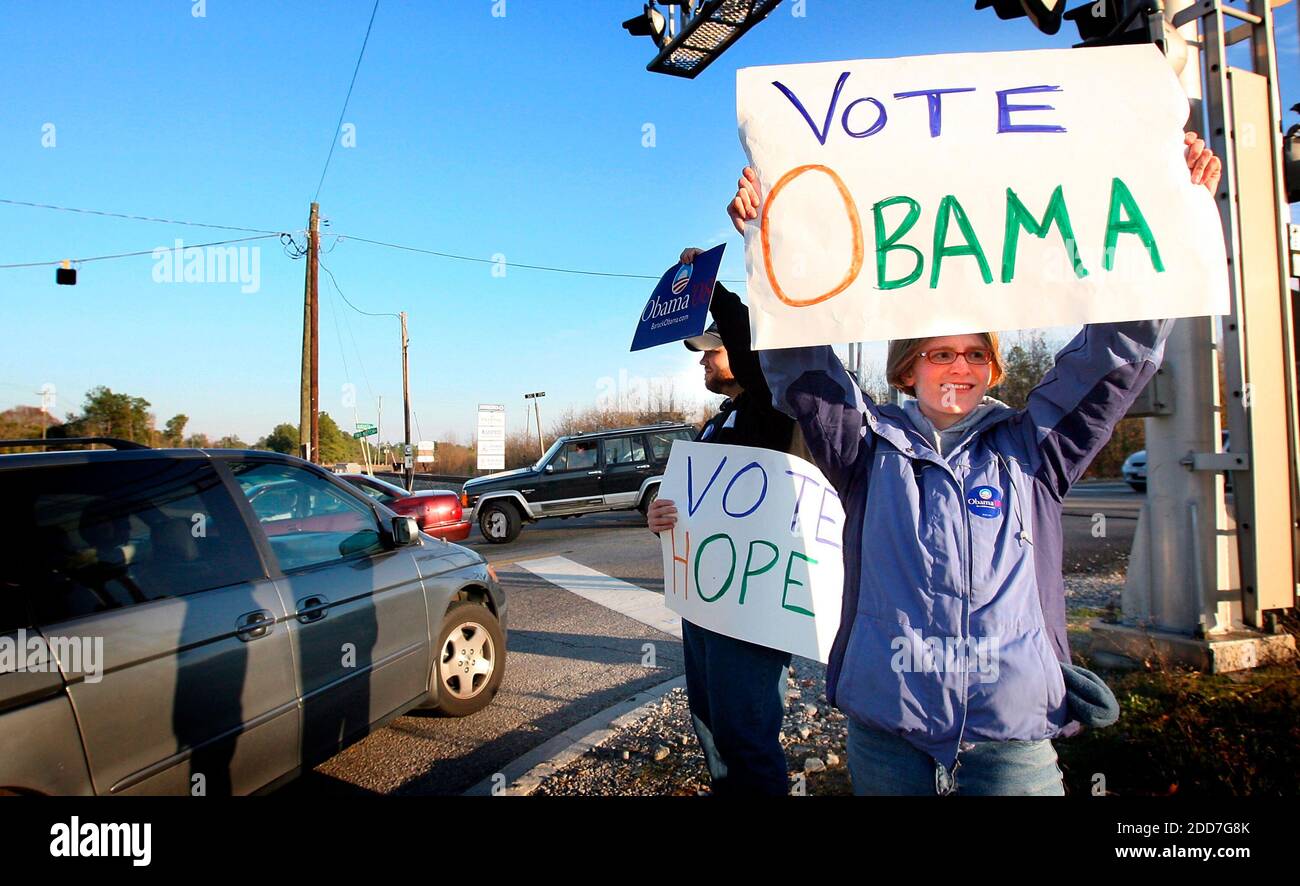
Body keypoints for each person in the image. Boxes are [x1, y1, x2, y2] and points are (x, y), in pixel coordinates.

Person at [698, 131, 1220, 795]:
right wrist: (770, 248)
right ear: (908, 366)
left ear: (994, 368)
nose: (960, 369)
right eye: (940, 353)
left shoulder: (1035, 449)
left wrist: (1169, 223)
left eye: (976, 354)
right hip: (888, 731)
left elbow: (1112, 357)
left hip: (1011, 736)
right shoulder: (864, 447)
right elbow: (802, 366)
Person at [646, 276, 804, 796]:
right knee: (710, 725)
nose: (702, 361)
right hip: (705, 603)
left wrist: (712, 291)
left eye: (712, 351)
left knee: (746, 734)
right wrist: (663, 518)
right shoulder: (715, 424)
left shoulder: (771, 407)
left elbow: (751, 344)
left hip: (752, 608)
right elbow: (692, 506)